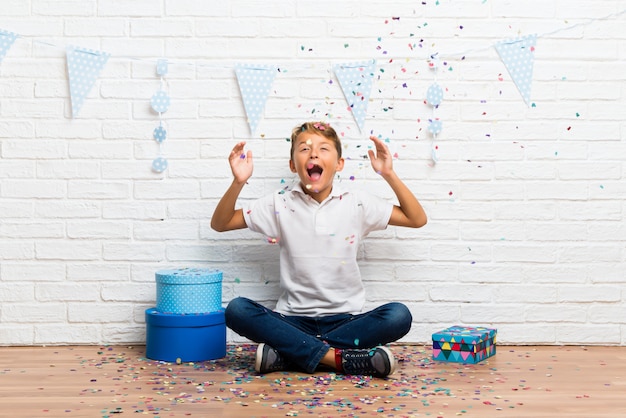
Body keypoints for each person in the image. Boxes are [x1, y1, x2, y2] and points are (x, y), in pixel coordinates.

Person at [211, 121, 427, 378]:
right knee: (237, 310)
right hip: (291, 320)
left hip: (347, 321)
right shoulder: (279, 204)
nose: (313, 153)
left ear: (339, 164)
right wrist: (238, 182)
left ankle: (288, 354)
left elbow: (416, 219)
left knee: (398, 315)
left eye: (323, 148)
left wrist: (389, 174)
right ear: (293, 165)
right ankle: (338, 359)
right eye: (304, 149)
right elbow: (220, 223)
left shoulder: (357, 203)